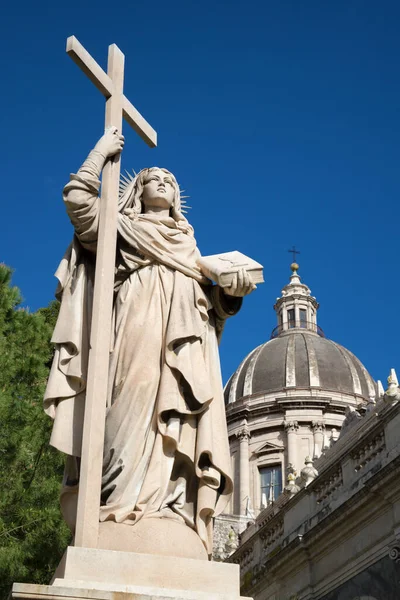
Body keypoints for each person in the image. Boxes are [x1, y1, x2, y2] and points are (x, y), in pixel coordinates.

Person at [44, 128, 255, 557]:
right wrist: (102, 152)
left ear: (177, 197)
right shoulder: (121, 226)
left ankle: (170, 509)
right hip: (135, 323)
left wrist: (230, 292)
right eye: (153, 177)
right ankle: (117, 503)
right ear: (136, 191)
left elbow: (215, 310)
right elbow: (80, 203)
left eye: (170, 181)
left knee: (182, 417)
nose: (162, 181)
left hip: (188, 339)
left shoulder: (191, 247)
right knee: (129, 404)